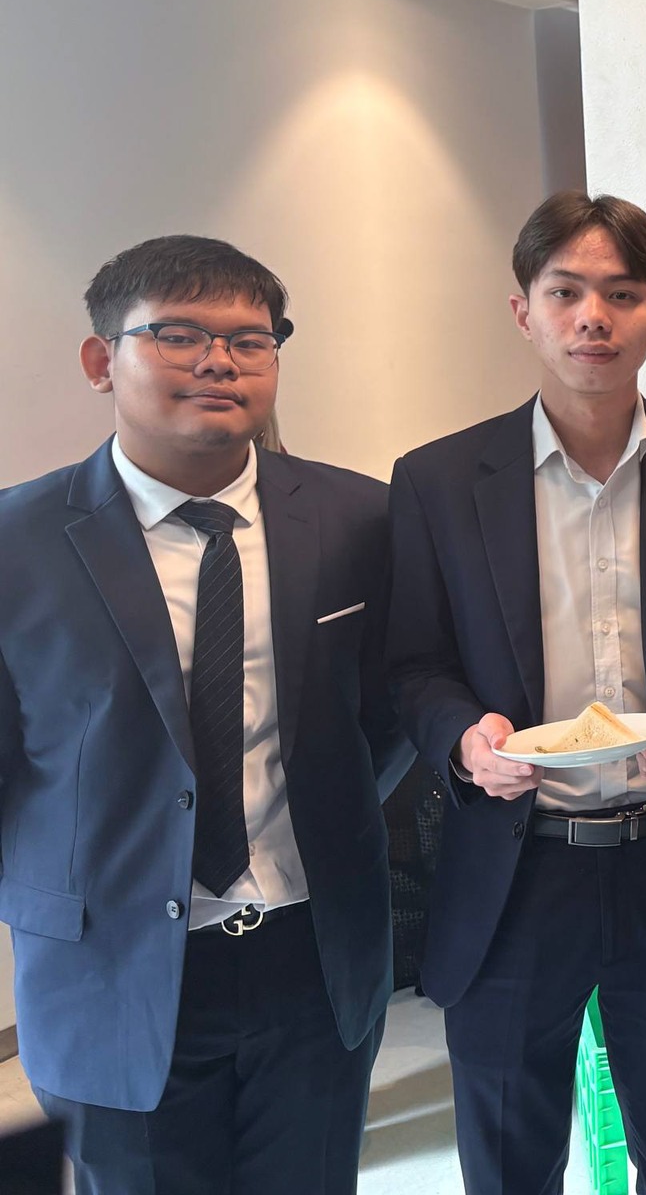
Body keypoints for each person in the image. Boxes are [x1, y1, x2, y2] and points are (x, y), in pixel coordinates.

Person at [0, 236, 414, 1191]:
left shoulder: (360, 519)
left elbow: (388, 714)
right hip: (107, 967)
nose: (219, 362)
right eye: (179, 335)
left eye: (251, 340)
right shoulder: (19, 541)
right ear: (102, 361)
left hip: (312, 954)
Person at [387, 192, 646, 1195]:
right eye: (566, 292)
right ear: (525, 312)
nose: (593, 317)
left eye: (622, 295)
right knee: (508, 1164)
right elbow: (413, 661)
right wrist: (464, 739)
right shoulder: (436, 479)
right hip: (511, 872)